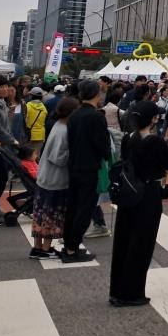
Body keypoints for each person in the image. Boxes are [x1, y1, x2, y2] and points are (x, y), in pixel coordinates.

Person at [109, 102, 168, 306]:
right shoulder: (155, 142)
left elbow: (138, 156)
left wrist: (164, 140)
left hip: (129, 191)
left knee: (124, 240)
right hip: (148, 192)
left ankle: (118, 290)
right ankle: (132, 293)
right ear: (152, 119)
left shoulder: (128, 138)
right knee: (142, 243)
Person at [61, 81, 111, 263]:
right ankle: (73, 248)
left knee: (73, 207)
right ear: (97, 95)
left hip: (74, 165)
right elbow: (103, 146)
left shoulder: (74, 115)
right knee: (85, 209)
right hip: (89, 167)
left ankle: (68, 245)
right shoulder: (96, 117)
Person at [31, 97, 79, 259]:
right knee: (52, 216)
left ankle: (37, 248)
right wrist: (74, 155)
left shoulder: (57, 125)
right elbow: (58, 157)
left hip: (45, 177)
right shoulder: (64, 130)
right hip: (55, 180)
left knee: (41, 214)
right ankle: (46, 249)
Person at [0, 74, 21, 221]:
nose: (6, 89)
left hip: (2, 148)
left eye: (6, 86)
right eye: (1, 87)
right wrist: (13, 141)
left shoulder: (1, 102)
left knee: (1, 179)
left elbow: (5, 127)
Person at [23, 86, 48, 155]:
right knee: (36, 156)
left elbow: (25, 120)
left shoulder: (27, 106)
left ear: (31, 96)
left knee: (27, 156)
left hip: (29, 134)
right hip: (40, 135)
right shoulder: (44, 108)